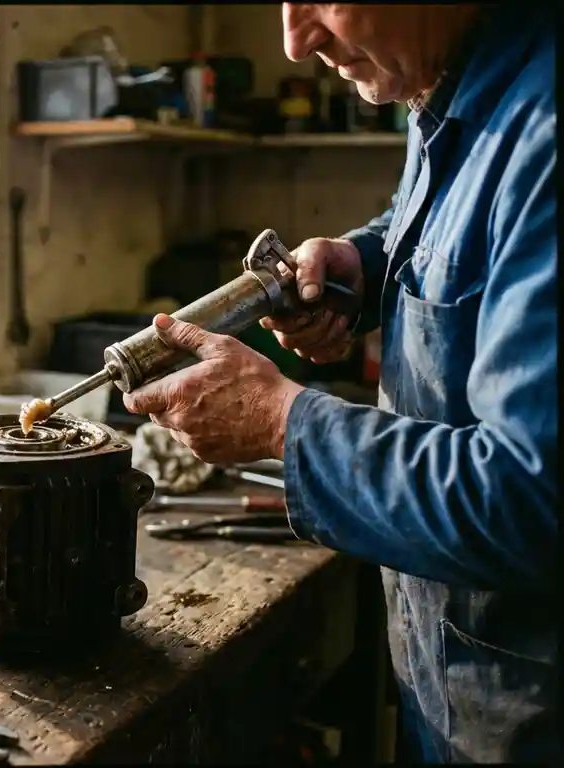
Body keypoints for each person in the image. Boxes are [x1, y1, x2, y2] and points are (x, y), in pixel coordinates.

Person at [123, 3, 557, 764]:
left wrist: (282, 426)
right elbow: (444, 226)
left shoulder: (547, 129)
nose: (296, 41)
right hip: (449, 679)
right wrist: (367, 261)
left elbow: (530, 500)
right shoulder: (445, 80)